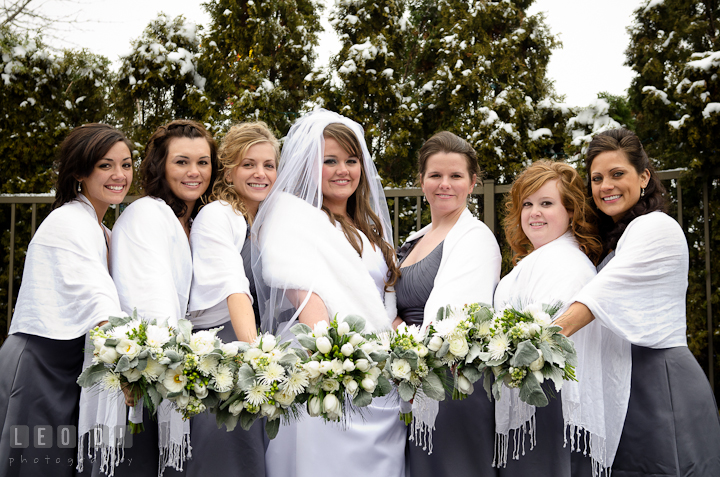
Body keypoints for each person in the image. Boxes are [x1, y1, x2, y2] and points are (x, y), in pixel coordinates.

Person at [554, 128, 720, 476]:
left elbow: (600, 295)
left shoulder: (656, 227)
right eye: (597, 178)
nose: (606, 186)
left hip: (659, 384)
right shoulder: (615, 239)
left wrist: (542, 339)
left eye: (618, 174)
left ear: (644, 176)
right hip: (622, 386)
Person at [252, 109, 404, 477]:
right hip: (324, 361)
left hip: (378, 367)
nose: (343, 170)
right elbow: (303, 295)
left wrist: (398, 336)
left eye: (352, 161)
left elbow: (380, 297)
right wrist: (337, 359)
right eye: (330, 161)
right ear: (308, 166)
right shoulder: (292, 219)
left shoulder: (369, 226)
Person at [0, 124, 132, 477]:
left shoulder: (103, 230)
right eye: (106, 165)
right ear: (79, 172)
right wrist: (132, 364)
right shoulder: (68, 222)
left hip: (70, 364)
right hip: (39, 361)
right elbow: (97, 299)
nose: (119, 175)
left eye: (127, 164)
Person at [95, 119, 218, 476]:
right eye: (181, 161)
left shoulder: (197, 222)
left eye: (203, 162)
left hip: (182, 371)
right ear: (160, 166)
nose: (194, 172)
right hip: (145, 374)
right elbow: (149, 302)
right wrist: (164, 366)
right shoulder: (147, 214)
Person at [492, 160, 617, 476]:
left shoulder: (568, 264)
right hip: (526, 398)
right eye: (527, 204)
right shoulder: (535, 261)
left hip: (549, 405)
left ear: (571, 211)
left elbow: (549, 343)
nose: (534, 212)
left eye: (546, 203)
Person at [394, 131, 501, 477]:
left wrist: (397, 335)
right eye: (435, 175)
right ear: (421, 181)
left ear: (472, 183)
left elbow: (451, 322)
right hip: (407, 375)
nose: (445, 184)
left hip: (452, 384)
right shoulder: (413, 240)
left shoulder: (476, 238)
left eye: (455, 176)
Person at [184, 122, 279, 476]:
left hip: (254, 339)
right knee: (227, 455)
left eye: (268, 165)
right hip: (223, 348)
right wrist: (256, 359)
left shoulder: (268, 220)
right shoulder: (217, 215)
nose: (260, 173)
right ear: (228, 170)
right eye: (248, 164)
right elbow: (234, 288)